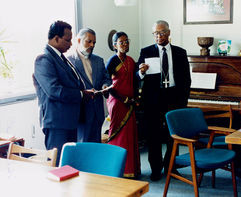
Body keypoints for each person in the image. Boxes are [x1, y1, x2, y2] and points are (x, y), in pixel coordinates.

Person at [33, 21, 94, 166]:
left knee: (69, 164)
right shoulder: (44, 59)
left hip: (69, 120)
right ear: (55, 38)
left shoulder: (61, 58)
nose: (71, 44)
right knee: (58, 166)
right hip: (57, 123)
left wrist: (84, 91)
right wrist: (81, 95)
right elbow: (54, 90)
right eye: (67, 40)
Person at [137, 20, 191, 181]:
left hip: (174, 98)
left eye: (161, 33)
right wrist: (141, 72)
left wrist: (183, 101)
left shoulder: (180, 52)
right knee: (153, 136)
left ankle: (171, 167)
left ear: (168, 33)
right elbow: (137, 75)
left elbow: (186, 79)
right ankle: (155, 169)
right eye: (155, 33)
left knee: (172, 136)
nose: (158, 36)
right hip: (153, 99)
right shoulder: (146, 51)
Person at [105, 31, 141, 178]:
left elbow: (135, 80)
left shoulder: (131, 61)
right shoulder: (112, 61)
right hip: (117, 103)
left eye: (127, 41)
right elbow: (107, 84)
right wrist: (123, 99)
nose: (125, 44)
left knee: (129, 135)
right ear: (115, 45)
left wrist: (136, 97)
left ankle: (131, 170)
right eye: (121, 42)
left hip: (130, 103)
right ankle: (117, 169)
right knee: (117, 135)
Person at [68, 28, 111, 142]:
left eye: (94, 42)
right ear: (78, 40)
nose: (92, 45)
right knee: (82, 147)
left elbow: (106, 78)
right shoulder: (69, 62)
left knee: (96, 147)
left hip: (97, 111)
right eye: (89, 41)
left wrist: (105, 86)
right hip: (81, 112)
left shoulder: (98, 60)